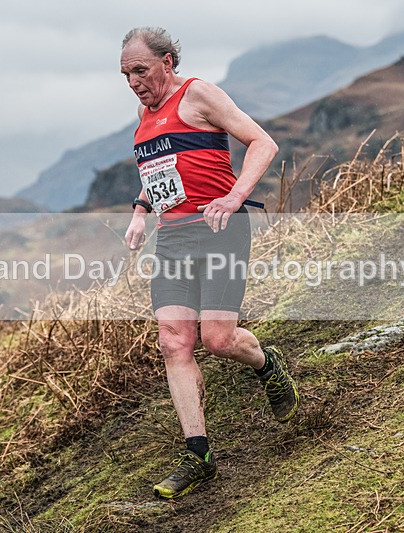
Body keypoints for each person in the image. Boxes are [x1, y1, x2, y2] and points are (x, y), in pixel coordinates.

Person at [121, 27, 299, 499]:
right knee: (173, 340)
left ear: (168, 62)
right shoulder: (144, 114)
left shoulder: (198, 94)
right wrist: (141, 212)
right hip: (174, 239)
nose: (134, 81)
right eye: (125, 74)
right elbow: (162, 172)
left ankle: (266, 363)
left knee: (218, 340)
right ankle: (198, 455)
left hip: (221, 229)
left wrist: (234, 195)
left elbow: (262, 142)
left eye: (141, 70)